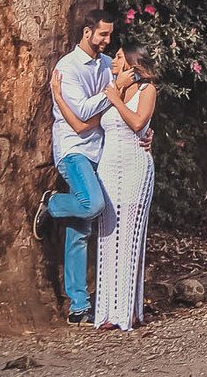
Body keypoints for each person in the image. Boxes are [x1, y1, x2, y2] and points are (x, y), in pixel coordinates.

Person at [54, 44, 158, 331]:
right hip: (109, 169)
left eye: (120, 57)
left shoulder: (147, 90)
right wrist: (59, 97)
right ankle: (110, 312)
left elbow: (138, 123)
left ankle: (130, 311)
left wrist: (116, 98)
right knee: (108, 239)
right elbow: (81, 125)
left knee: (130, 239)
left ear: (133, 64)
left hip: (136, 167)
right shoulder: (111, 91)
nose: (113, 60)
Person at [32, 8, 116, 324]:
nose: (107, 40)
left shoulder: (108, 66)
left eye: (110, 34)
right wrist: (111, 95)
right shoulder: (67, 68)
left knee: (81, 229)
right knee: (91, 205)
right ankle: (52, 202)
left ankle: (78, 304)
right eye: (103, 34)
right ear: (87, 32)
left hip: (102, 153)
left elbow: (121, 106)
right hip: (74, 152)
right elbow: (80, 120)